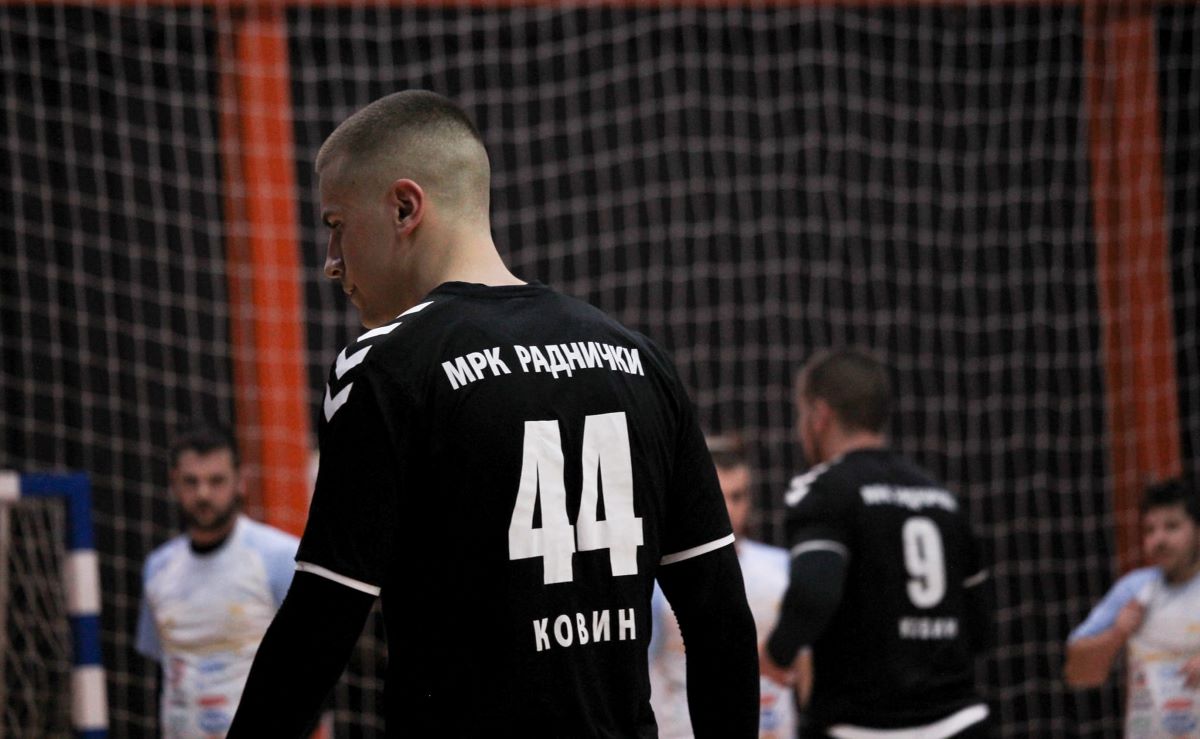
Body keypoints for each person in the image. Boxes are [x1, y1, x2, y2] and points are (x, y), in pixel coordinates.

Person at [227, 90, 758, 737]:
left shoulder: (386, 366)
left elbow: (319, 626)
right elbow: (719, 616)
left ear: (404, 207)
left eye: (337, 224)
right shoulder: (639, 360)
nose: (331, 262)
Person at [761, 347, 991, 739]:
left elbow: (814, 591)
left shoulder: (824, 489)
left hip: (862, 724)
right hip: (959, 721)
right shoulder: (942, 499)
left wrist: (777, 653)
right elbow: (980, 628)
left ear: (820, 416)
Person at [136, 425, 300, 738]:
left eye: (216, 481)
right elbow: (162, 667)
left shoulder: (280, 557)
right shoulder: (158, 568)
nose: (203, 494)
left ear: (240, 482)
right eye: (191, 481)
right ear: (173, 483)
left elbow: (310, 664)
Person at [649, 433, 807, 738]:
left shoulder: (781, 568)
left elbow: (803, 661)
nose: (730, 510)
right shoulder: (658, 580)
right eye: (720, 497)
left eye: (738, 496)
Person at [1064, 478, 1200, 736]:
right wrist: (1117, 634)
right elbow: (1078, 673)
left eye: (1172, 526)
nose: (1159, 539)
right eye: (1149, 530)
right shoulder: (1134, 589)